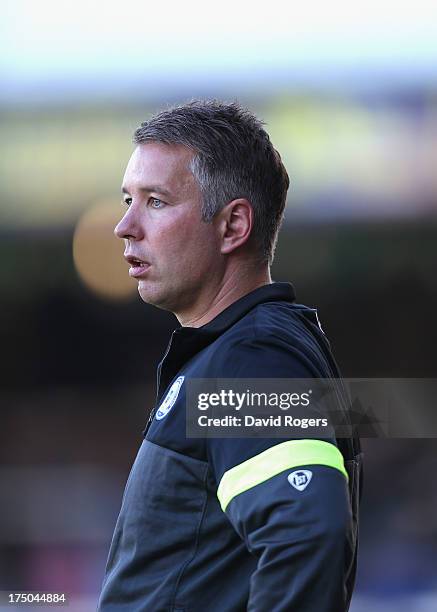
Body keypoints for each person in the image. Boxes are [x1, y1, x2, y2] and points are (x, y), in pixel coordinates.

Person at [98, 100, 363, 611]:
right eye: (128, 199)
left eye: (155, 202)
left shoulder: (254, 357)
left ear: (232, 226)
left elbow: (309, 536)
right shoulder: (234, 352)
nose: (124, 226)